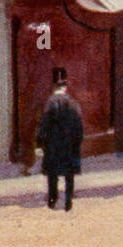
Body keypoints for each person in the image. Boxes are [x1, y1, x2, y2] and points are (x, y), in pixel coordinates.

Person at [36, 67, 84, 211]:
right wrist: (77, 143)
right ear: (65, 86)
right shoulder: (73, 104)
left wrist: (40, 143)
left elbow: (43, 126)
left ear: (53, 86)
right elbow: (79, 127)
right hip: (69, 145)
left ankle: (52, 200)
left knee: (53, 175)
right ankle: (68, 201)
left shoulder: (49, 104)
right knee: (69, 175)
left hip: (53, 146)